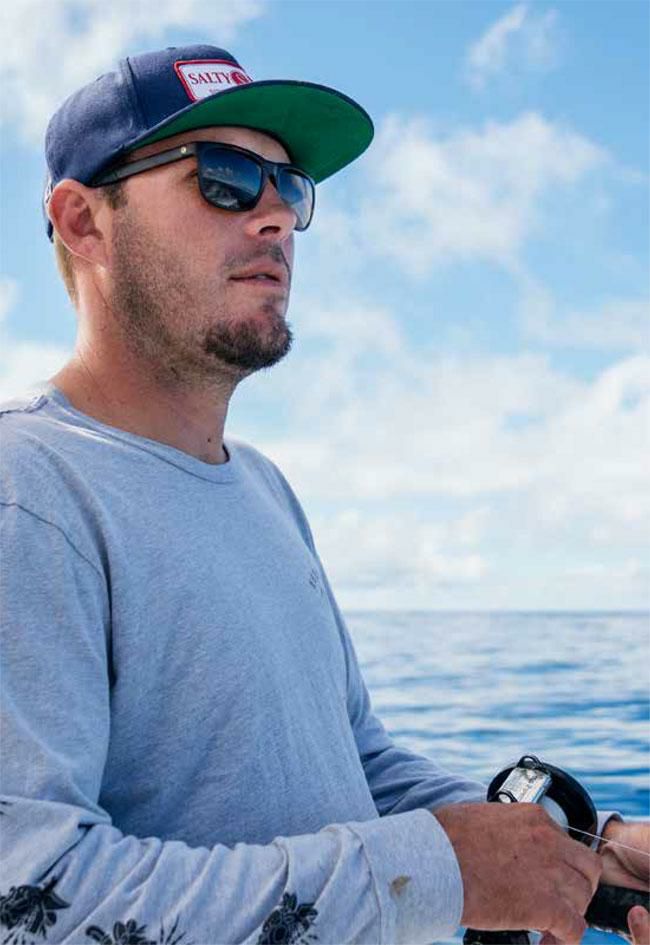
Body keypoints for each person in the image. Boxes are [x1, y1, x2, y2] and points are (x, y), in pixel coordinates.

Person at [0, 44, 647, 945]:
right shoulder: (27, 489)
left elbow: (361, 767)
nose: (275, 215)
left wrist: (575, 848)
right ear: (83, 221)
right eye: (224, 178)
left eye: (288, 186)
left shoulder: (263, 488)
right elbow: (29, 897)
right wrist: (440, 873)